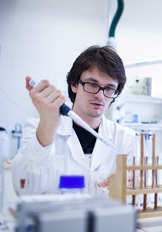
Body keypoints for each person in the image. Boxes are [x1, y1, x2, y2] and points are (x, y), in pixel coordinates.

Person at [11, 45, 136, 197]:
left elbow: (140, 197)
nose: (100, 96)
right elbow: (23, 188)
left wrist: (130, 187)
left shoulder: (126, 139)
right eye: (92, 84)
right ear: (74, 84)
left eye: (109, 88)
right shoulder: (37, 127)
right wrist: (48, 127)